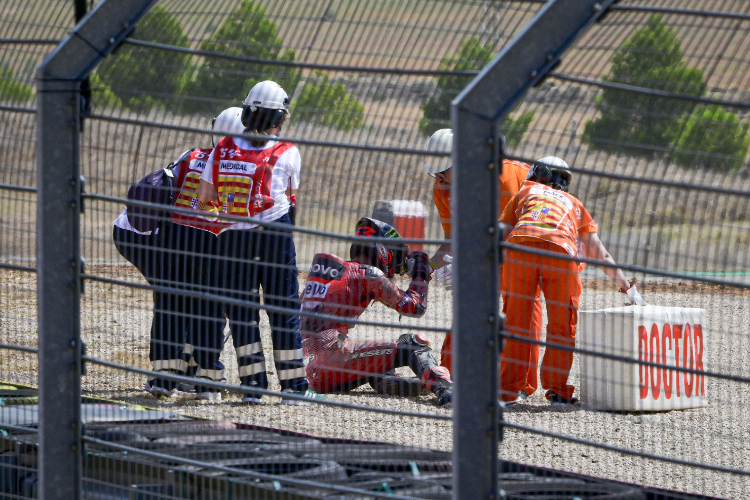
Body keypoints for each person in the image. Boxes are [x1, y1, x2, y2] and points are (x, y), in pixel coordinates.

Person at [197, 80, 322, 404]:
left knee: (241, 311)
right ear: (279, 118)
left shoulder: (222, 147)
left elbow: (206, 197)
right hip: (273, 233)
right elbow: (291, 196)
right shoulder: (287, 151)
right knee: (283, 309)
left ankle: (252, 385)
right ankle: (293, 387)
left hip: (233, 237)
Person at [499, 156, 643, 405]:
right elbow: (600, 253)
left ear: (536, 174)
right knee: (562, 326)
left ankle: (507, 392)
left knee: (516, 323)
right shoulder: (575, 204)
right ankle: (557, 391)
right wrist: (627, 288)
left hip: (519, 248)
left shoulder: (524, 193)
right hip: (561, 253)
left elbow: (499, 236)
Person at [423, 129, 544, 400]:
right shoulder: (443, 189)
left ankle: (521, 385)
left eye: (444, 170)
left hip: (522, 247)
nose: (439, 178)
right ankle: (450, 377)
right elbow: (452, 240)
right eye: (436, 173)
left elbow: (517, 236)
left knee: (522, 307)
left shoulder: (508, 178)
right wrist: (426, 269)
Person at [138, 107, 246, 400]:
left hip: (176, 237)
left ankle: (162, 379)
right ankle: (208, 385)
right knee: (209, 311)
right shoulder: (241, 165)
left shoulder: (191, 155)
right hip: (214, 241)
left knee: (170, 307)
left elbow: (165, 184)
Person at [300, 217, 452, 406]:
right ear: (383, 251)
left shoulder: (329, 274)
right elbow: (415, 306)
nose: (393, 270)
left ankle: (385, 377)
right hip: (329, 362)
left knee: (372, 353)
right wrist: (421, 268)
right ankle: (446, 390)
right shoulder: (367, 273)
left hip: (305, 369)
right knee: (413, 344)